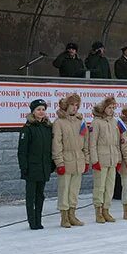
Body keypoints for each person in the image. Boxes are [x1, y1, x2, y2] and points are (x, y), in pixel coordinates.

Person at [87, 95, 127, 223]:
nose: (111, 110)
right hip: (101, 160)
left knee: (110, 187)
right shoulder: (96, 122)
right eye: (109, 107)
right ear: (104, 108)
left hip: (112, 160)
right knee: (100, 187)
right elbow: (92, 143)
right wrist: (94, 161)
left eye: (113, 108)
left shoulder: (115, 122)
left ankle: (106, 210)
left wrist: (118, 159)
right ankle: (98, 211)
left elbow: (118, 143)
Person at [17, 99, 54, 230]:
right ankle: (32, 221)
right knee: (31, 196)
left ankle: (38, 220)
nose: (41, 112)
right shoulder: (27, 128)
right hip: (32, 168)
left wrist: (51, 165)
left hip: (43, 167)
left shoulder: (47, 127)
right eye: (38, 109)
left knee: (40, 196)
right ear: (33, 111)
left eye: (43, 109)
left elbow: (50, 149)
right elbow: (22, 151)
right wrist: (24, 167)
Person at [52, 93, 87, 228]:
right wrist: (59, 162)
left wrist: (86, 160)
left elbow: (86, 142)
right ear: (66, 106)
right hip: (66, 161)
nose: (74, 107)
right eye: (72, 104)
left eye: (77, 105)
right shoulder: (59, 123)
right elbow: (56, 144)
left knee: (74, 190)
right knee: (64, 189)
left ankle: (72, 214)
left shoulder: (81, 122)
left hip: (78, 160)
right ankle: (64, 217)